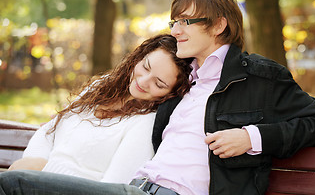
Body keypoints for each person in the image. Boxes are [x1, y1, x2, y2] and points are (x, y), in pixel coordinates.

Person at [0, 0, 315, 195]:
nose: (177, 29)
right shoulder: (182, 83)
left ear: (219, 25)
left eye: (186, 22)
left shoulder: (259, 77)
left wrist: (252, 137)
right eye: (174, 21)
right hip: (137, 187)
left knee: (13, 185)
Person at [6, 34, 192, 184]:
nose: (143, 81)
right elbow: (48, 131)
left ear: (171, 93)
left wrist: (42, 172)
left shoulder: (145, 123)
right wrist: (31, 169)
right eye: (145, 67)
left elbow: (112, 187)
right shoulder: (101, 87)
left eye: (158, 84)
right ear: (139, 57)